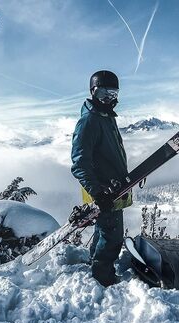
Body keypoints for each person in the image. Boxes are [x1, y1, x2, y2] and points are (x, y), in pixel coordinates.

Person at [71, 70, 132, 287]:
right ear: (93, 92)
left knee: (103, 230)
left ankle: (95, 264)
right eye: (104, 93)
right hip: (104, 190)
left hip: (114, 187)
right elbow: (79, 163)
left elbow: (108, 155)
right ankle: (103, 275)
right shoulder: (89, 121)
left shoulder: (106, 118)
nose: (110, 99)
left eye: (113, 93)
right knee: (112, 235)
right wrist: (97, 192)